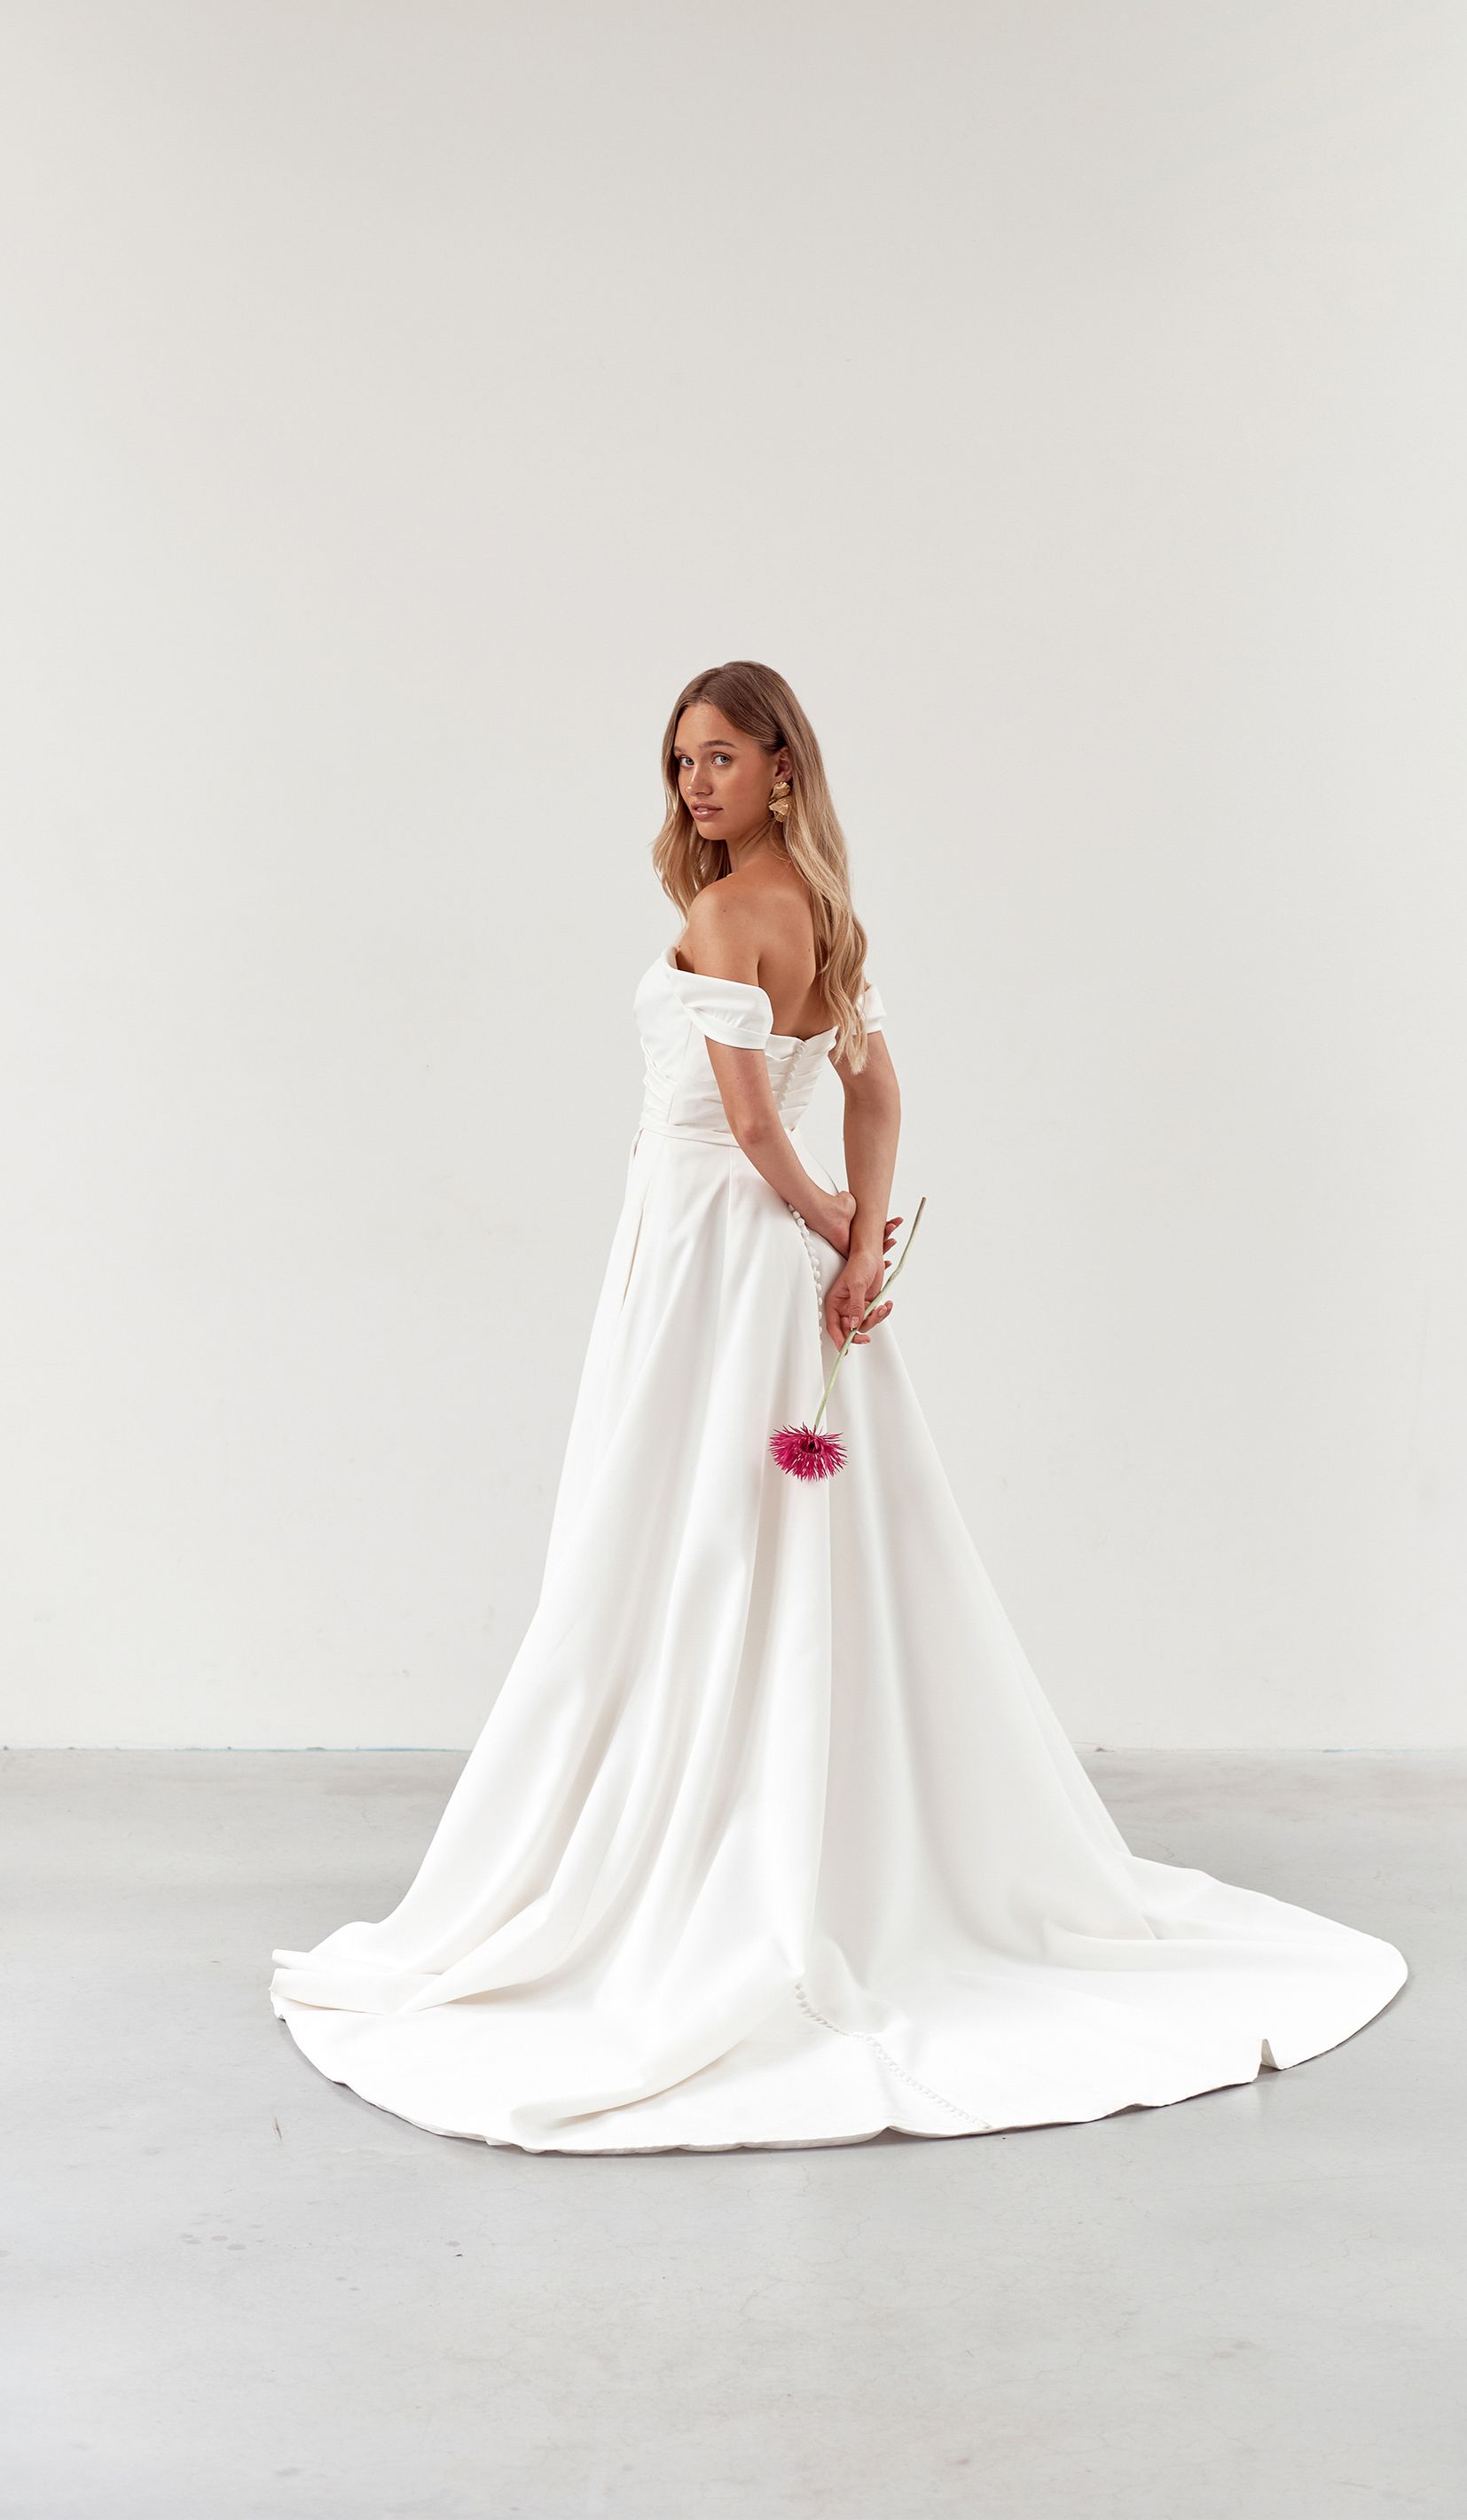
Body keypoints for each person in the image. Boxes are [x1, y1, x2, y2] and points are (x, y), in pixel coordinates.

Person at [269, 660, 1407, 2153]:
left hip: (704, 1254)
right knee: (782, 1532)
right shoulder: (822, 911)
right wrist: (862, 1243)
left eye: (722, 757)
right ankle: (824, 1827)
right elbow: (874, 1090)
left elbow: (753, 1124)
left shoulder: (724, 917)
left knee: (666, 1526)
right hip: (767, 1266)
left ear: (782, 767)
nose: (696, 783)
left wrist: (821, 1220)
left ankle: (698, 1832)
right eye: (682, 760)